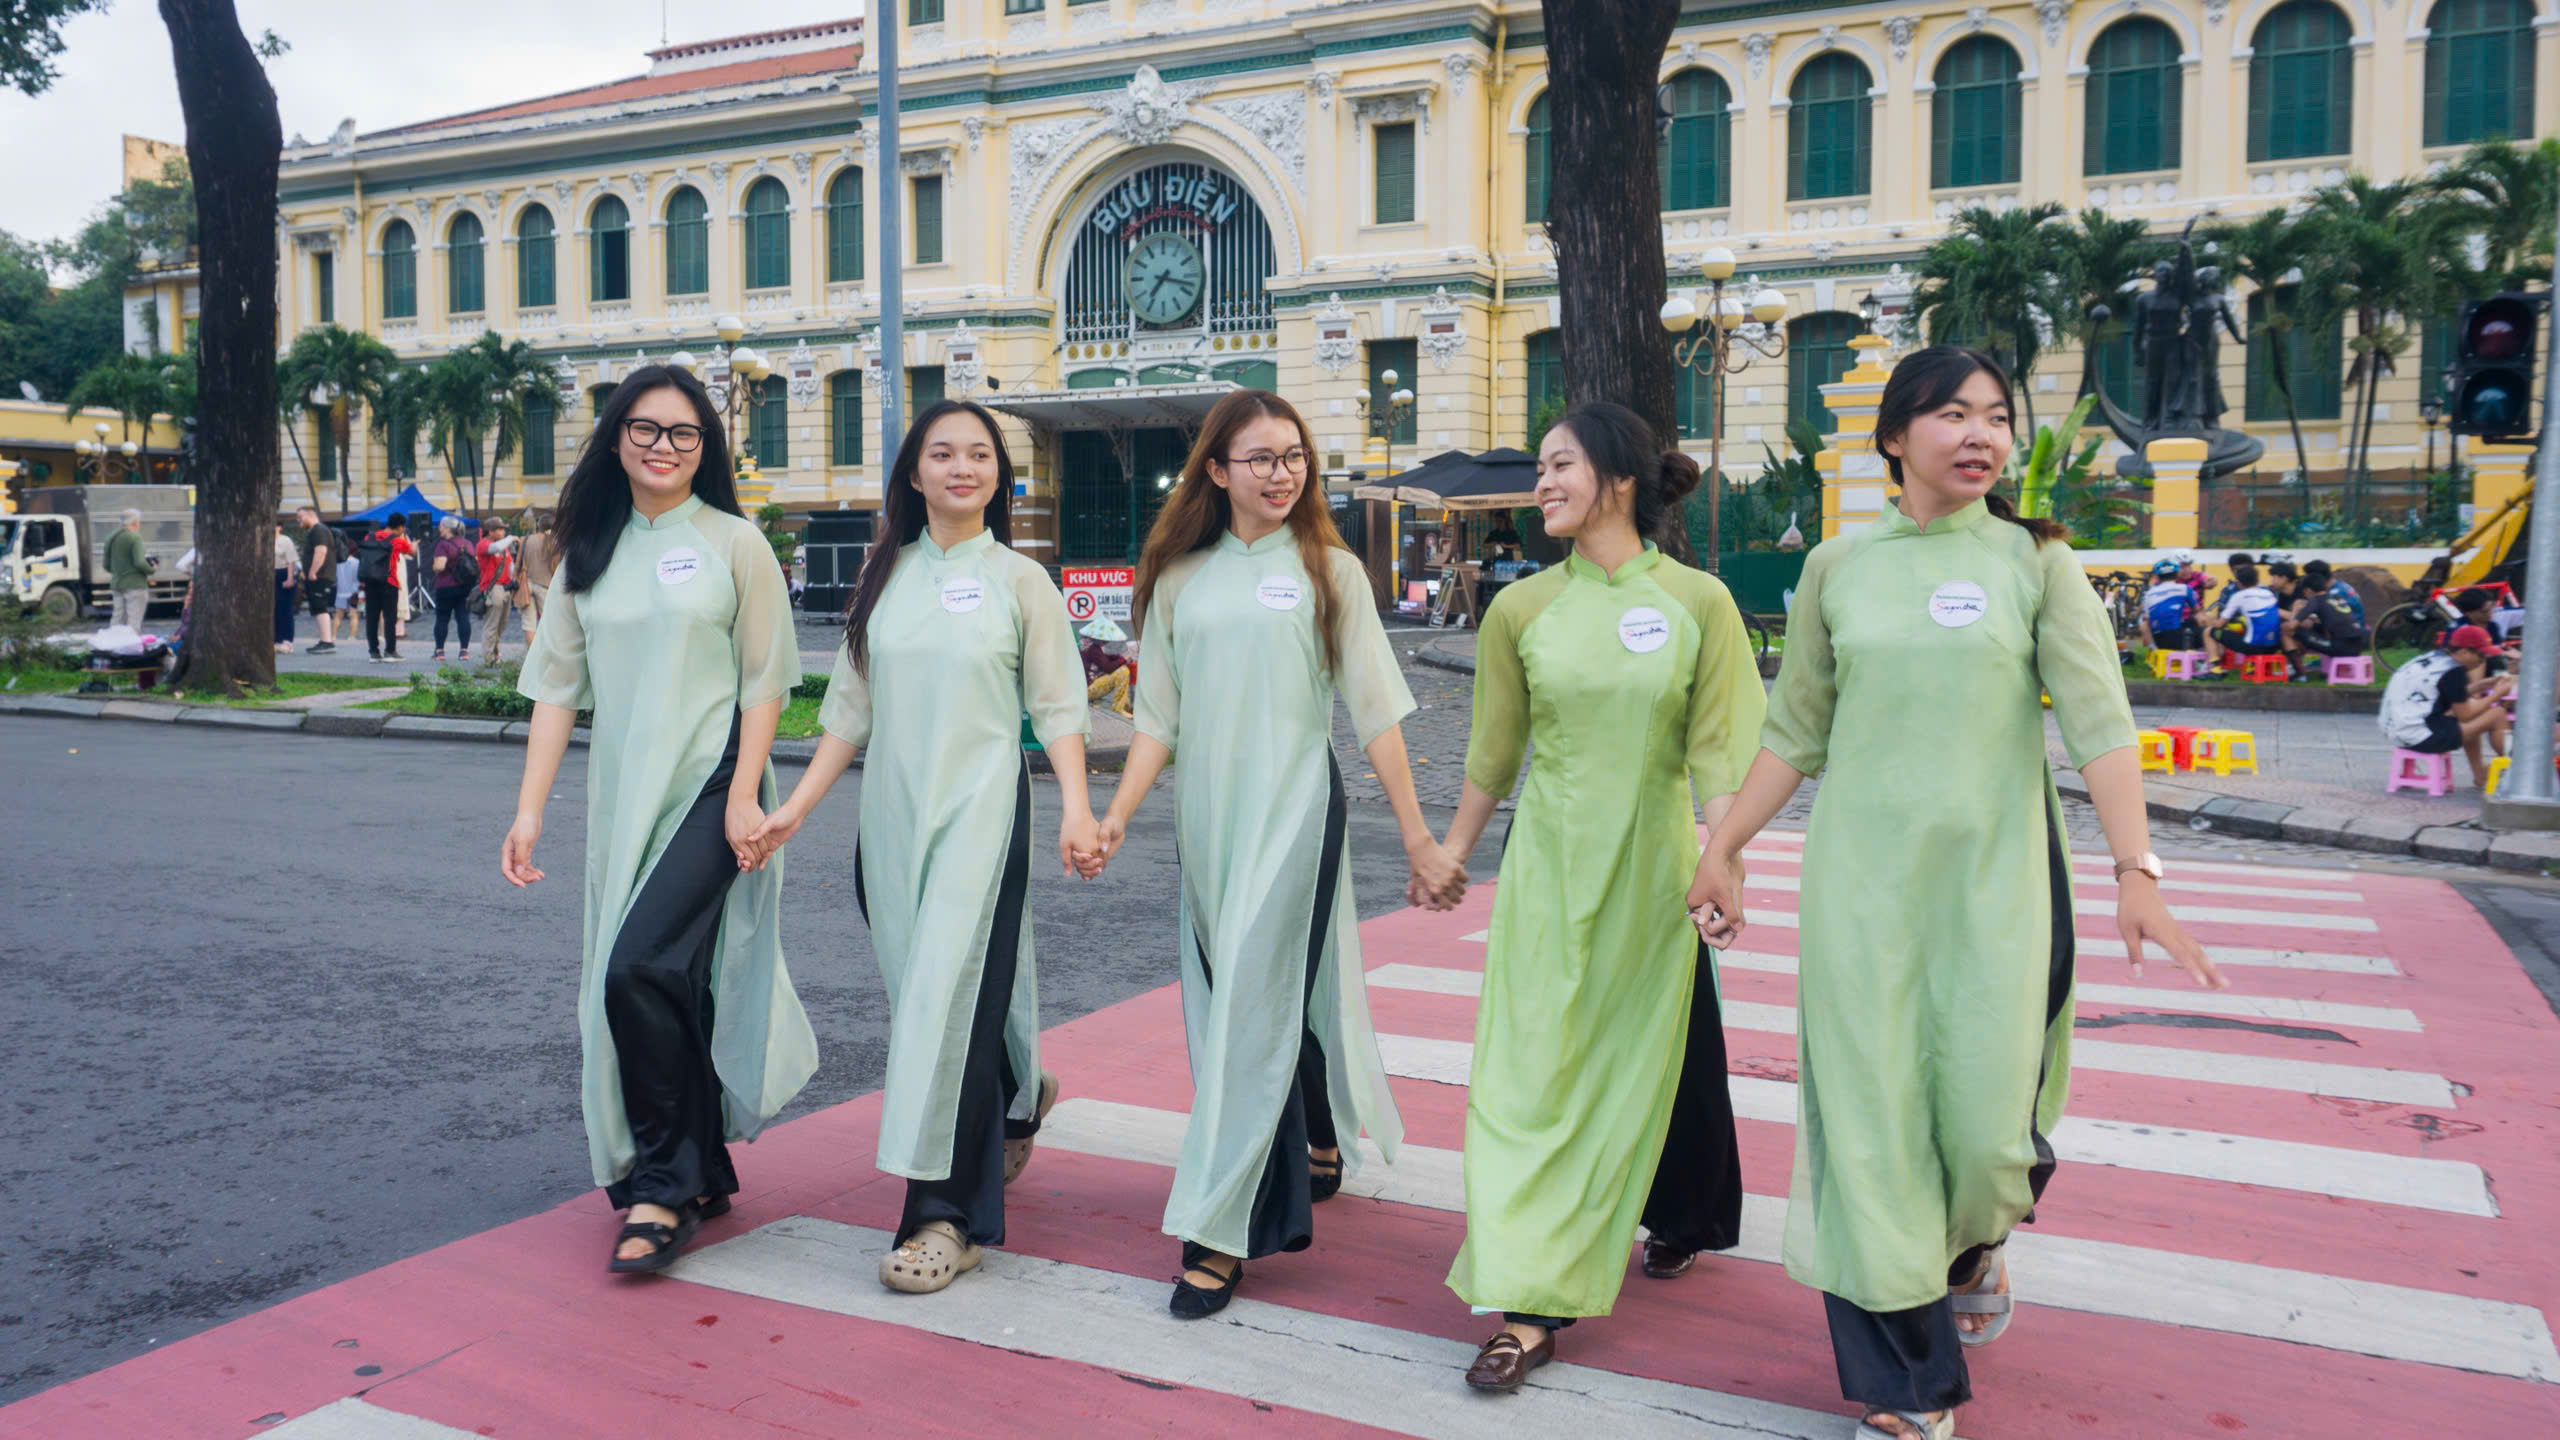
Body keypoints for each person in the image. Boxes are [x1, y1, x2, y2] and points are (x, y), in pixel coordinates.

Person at [1688, 347, 2221, 1440]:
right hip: (1861, 895)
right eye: (1951, 414)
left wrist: (2136, 871)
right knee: (1873, 1132)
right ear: (1893, 437)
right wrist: (1723, 847)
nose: (1980, 435)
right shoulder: (1837, 566)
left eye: (1994, 417)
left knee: (1987, 1140)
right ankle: (1907, 1390)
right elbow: (1794, 732)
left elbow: (2100, 724)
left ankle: (1975, 1243)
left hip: (1997, 892)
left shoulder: (2036, 562)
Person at [1086, 389, 1466, 1318]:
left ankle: (1221, 1227)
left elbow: (1375, 711)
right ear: (1217, 471)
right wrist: (1116, 815)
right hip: (1209, 825)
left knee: (1251, 1004)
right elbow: (1159, 717)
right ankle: (1317, 1132)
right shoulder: (1178, 578)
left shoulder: (1330, 571)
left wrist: (1418, 834)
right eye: (1260, 457)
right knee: (1245, 997)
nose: (1282, 472)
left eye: (1294, 455)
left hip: (1297, 810)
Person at [1436, 401, 1765, 1393]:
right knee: (1528, 1073)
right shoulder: (1521, 609)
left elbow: (1720, 747)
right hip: (1547, 865)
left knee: (1640, 1061)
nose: (1541, 483)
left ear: (1619, 479)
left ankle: (1624, 1246)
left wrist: (1724, 858)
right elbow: (1495, 750)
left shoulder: (1699, 602)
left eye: (1559, 465)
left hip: (1653, 871)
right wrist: (1451, 853)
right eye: (1540, 467)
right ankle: (1526, 1293)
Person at [748, 401, 1096, 1295]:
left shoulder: (1021, 581)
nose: (961, 467)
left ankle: (947, 1219)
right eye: (943, 453)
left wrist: (1077, 809)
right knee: (932, 1004)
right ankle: (1020, 1086)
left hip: (984, 817)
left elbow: (1059, 706)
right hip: (893, 829)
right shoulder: (885, 578)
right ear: (914, 472)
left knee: (944, 1009)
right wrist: (795, 812)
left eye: (979, 454)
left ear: (999, 476)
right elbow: (848, 714)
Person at [500, 364, 817, 1273]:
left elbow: (765, 681)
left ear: (704, 447)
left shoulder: (733, 543)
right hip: (625, 798)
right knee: (668, 975)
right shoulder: (588, 555)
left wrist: (747, 793)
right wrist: (528, 812)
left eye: (683, 433)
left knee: (635, 967)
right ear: (616, 439)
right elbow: (557, 690)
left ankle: (662, 1187)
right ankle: (698, 1166)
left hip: (714, 785)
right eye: (645, 429)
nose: (663, 447)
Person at [2382, 625, 2512, 789]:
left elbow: (2445, 694)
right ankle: (2515, 768)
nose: (2483, 660)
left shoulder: (2434, 659)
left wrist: (2480, 686)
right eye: (2481, 654)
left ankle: (2480, 773)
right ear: (2464, 652)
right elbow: (2465, 714)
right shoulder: (2454, 670)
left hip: (2397, 731)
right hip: (2422, 736)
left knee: (2476, 712)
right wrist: (2497, 694)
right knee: (2497, 714)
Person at [2292, 569, 2370, 677]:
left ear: (2308, 590)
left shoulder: (2316, 600)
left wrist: (2295, 609)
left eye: (2304, 592)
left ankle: (2298, 672)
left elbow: (2292, 625)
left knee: (2296, 631)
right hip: (2358, 646)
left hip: (2341, 649)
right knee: (2315, 627)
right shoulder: (2336, 597)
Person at [356, 514, 410, 662]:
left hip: (370, 581)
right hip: (389, 582)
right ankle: (390, 651)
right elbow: (409, 550)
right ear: (400, 527)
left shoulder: (369, 536)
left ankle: (374, 652)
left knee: (372, 617)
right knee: (390, 618)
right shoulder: (397, 540)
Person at [2207, 561, 2281, 668]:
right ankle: (2252, 666)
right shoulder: (2268, 593)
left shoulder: (2239, 595)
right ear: (2257, 580)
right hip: (2274, 645)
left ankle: (2215, 669)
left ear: (2239, 583)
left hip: (2253, 647)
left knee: (2209, 631)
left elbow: (2220, 624)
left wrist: (2209, 620)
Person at [428, 515, 475, 661]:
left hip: (445, 586)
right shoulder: (468, 543)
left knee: (442, 619)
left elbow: (440, 566)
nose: (439, 529)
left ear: (447, 528)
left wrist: (434, 566)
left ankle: (440, 651)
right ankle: (464, 651)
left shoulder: (443, 545)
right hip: (464, 587)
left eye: (441, 526)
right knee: (463, 618)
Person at [296, 507, 341, 653]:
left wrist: (313, 571)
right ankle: (325, 640)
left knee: (320, 606)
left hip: (320, 575)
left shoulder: (319, 530)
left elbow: (321, 551)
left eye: (300, 517)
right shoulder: (316, 530)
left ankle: (326, 641)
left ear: (310, 515)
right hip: (320, 575)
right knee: (318, 607)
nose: (298, 521)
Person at [474, 516, 518, 663]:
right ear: (490, 531)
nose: (504, 532)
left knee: (502, 625)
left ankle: (495, 652)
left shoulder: (503, 546)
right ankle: (489, 658)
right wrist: (511, 538)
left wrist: (514, 580)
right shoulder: (483, 544)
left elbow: (510, 566)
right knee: (492, 625)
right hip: (494, 589)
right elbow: (495, 548)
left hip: (506, 588)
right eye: (500, 529)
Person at [2137, 558, 2202, 655]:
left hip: (2158, 641)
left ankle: (2155, 651)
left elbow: (2145, 619)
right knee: (2202, 617)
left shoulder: (2148, 594)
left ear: (2157, 577)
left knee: (2143, 623)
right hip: (2178, 639)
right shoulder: (2184, 588)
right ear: (2177, 574)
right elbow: (2197, 610)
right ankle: (2207, 655)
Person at [104, 508, 152, 631]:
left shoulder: (111, 537)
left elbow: (106, 565)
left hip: (117, 584)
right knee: (134, 620)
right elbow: (140, 562)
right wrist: (151, 569)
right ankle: (132, 641)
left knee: (117, 618)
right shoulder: (134, 538)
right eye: (139, 522)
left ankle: (114, 641)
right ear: (135, 523)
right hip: (135, 585)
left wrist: (119, 572)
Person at [518, 509, 557, 646]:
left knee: (529, 625)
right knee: (550, 623)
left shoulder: (525, 540)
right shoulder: (555, 542)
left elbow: (517, 565)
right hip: (546, 585)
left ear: (539, 525)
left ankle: (531, 655)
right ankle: (548, 653)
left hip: (526, 586)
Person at [272, 522, 299, 653]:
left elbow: (291, 560)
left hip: (283, 572)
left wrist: (289, 578)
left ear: (280, 527)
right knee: (274, 608)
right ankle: (276, 639)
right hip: (270, 574)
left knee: (285, 608)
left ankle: (287, 640)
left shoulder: (285, 540)